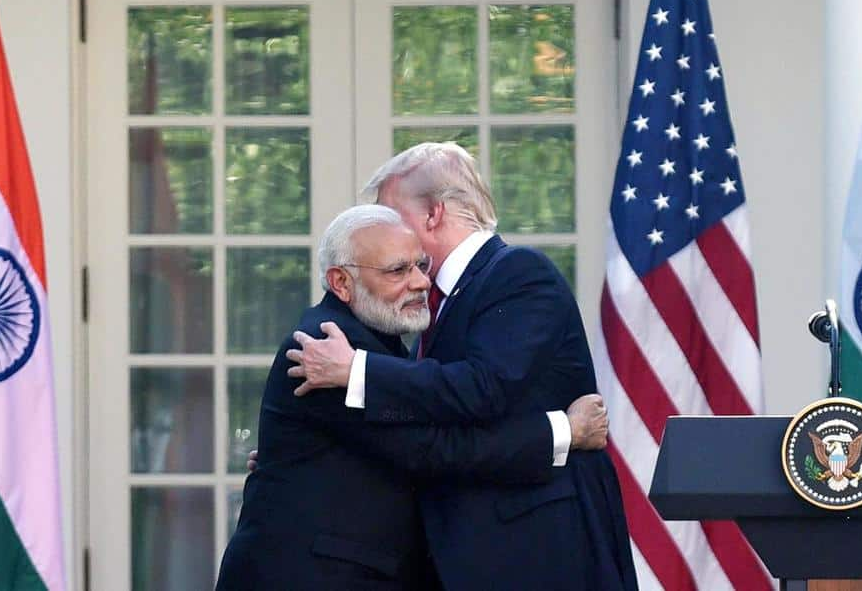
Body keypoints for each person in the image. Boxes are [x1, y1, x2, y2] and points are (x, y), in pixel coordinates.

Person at [288, 143, 639, 590]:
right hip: (473, 555)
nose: (385, 231)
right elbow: (427, 430)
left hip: (536, 552)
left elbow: (482, 387)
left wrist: (358, 370)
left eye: (392, 216)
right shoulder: (433, 302)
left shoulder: (518, 273)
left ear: (433, 214)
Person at [217, 205, 609, 590]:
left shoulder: (382, 346)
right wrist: (565, 432)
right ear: (341, 283)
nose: (421, 282)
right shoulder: (324, 350)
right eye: (397, 271)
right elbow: (436, 449)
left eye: (421, 265)